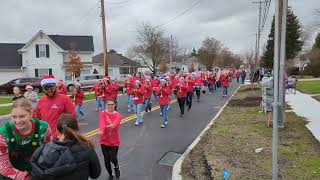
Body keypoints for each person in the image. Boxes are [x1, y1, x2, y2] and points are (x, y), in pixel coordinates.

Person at [30, 114, 101, 180]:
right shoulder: (86, 148)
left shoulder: (43, 150)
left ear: (57, 131)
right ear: (77, 129)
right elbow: (95, 174)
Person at [0, 99, 52, 180]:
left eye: (22, 116)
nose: (18, 121)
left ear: (31, 114)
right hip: (10, 176)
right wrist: (25, 177)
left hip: (37, 172)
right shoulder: (3, 133)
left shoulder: (43, 128)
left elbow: (49, 152)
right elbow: (3, 166)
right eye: (14, 117)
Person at [99, 99, 122, 180]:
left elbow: (116, 122)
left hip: (114, 140)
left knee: (113, 158)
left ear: (115, 105)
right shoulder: (102, 113)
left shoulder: (118, 115)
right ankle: (110, 174)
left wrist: (112, 125)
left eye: (112, 104)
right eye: (108, 104)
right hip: (104, 140)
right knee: (106, 160)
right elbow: (102, 122)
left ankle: (116, 166)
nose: (110, 106)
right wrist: (101, 130)